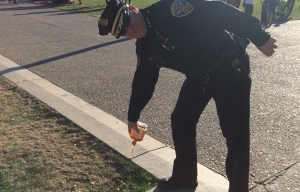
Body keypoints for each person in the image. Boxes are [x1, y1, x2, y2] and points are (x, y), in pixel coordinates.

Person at [98, 0, 277, 191]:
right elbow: (144, 81)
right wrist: (132, 118)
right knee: (181, 119)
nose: (129, 28)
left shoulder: (169, 8)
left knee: (235, 134)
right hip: (198, 76)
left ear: (132, 9)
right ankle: (184, 179)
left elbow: (216, 9)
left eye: (126, 20)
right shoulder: (145, 46)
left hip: (228, 69)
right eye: (122, 31)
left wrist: (257, 35)